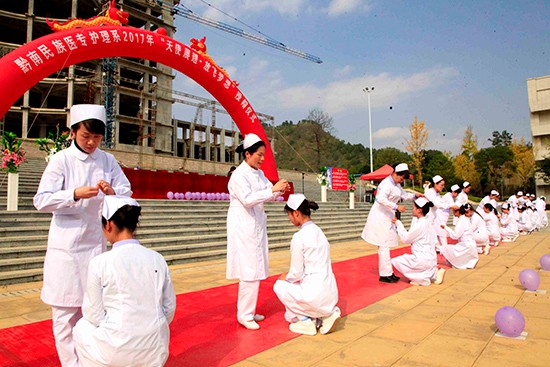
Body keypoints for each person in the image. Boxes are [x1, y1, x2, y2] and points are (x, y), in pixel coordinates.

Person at [33, 104, 132, 367]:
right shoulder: (61, 160)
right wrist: (73, 194)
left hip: (96, 244)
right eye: (85, 136)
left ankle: (89, 360)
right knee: (65, 313)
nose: (91, 143)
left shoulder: (107, 160)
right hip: (66, 247)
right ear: (73, 131)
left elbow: (126, 190)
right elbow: (41, 200)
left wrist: (111, 190)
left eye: (97, 138)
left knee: (93, 309)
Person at [73, 196, 176, 367]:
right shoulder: (157, 258)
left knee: (81, 327)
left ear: (108, 225)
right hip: (156, 349)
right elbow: (169, 308)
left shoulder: (100, 262)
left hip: (116, 350)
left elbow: (93, 313)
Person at [226, 133, 290, 330]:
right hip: (243, 227)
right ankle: (244, 315)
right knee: (249, 270)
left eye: (264, 155)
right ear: (247, 154)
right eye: (259, 155)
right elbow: (247, 199)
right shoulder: (239, 175)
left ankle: (250, 310)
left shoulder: (258, 174)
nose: (262, 159)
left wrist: (279, 189)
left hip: (256, 226)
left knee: (255, 268)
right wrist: (271, 191)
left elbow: (268, 194)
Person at [273, 194, 340, 336]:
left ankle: (304, 321)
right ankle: (325, 315)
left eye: (289, 215)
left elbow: (296, 273)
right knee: (298, 285)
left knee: (279, 285)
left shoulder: (299, 237)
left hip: (314, 294)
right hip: (330, 293)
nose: (289, 219)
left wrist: (285, 277)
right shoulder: (319, 232)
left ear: (296, 213)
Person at [361, 163, 420, 283]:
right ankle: (385, 274)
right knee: (383, 244)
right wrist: (396, 206)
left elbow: (403, 194)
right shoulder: (386, 184)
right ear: (394, 173)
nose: (402, 180)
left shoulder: (397, 185)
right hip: (380, 216)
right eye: (401, 177)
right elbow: (380, 198)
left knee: (386, 244)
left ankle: (388, 272)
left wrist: (415, 195)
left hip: (388, 216)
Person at [391, 197, 446, 286]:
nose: (412, 210)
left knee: (397, 261)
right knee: (415, 261)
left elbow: (406, 239)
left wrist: (398, 223)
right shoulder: (428, 223)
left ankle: (421, 279)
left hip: (422, 259)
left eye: (414, 208)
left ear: (419, 210)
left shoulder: (420, 224)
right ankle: (433, 273)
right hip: (432, 259)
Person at [440, 204, 479, 269]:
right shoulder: (465, 219)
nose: (453, 213)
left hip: (466, 245)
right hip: (470, 244)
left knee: (446, 248)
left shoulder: (462, 220)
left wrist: (445, 227)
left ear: (458, 211)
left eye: (454, 211)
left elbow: (455, 235)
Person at [424, 175, 458, 249]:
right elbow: (437, 204)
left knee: (434, 235)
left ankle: (439, 248)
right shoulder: (430, 192)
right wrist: (451, 206)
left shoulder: (437, 194)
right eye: (441, 185)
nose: (443, 187)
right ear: (435, 184)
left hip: (433, 217)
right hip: (427, 217)